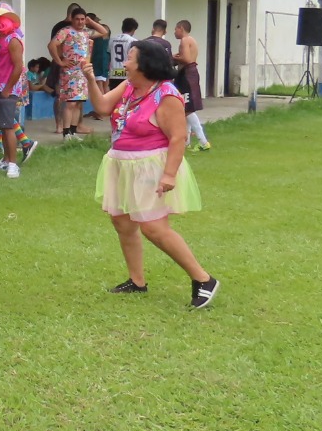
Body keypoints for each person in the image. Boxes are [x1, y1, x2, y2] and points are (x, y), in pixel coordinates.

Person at [80, 44, 219, 308]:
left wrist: (169, 175)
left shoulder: (166, 94)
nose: (125, 63)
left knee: (154, 228)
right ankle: (137, 281)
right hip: (122, 163)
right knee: (122, 222)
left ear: (146, 64)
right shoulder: (130, 86)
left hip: (149, 167)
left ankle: (203, 279)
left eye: (130, 58)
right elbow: (103, 106)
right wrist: (89, 78)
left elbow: (178, 137)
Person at [0, 1, 30, 178]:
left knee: (8, 126)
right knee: (1, 125)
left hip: (7, 89)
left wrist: (8, 89)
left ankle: (13, 165)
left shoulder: (13, 40)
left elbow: (18, 67)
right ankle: (6, 160)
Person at [50, 5, 108, 141]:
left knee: (78, 103)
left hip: (83, 72)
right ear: (72, 19)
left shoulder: (86, 32)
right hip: (70, 72)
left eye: (82, 19)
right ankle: (66, 133)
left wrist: (90, 21)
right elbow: (52, 45)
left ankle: (73, 131)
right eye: (77, 19)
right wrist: (60, 61)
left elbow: (103, 31)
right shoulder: (66, 31)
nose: (80, 22)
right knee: (70, 103)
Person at [171, 20, 211, 152]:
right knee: (185, 108)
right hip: (189, 74)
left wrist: (173, 57)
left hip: (187, 75)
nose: (174, 32)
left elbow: (187, 59)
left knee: (188, 109)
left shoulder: (185, 40)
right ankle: (186, 142)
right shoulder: (191, 40)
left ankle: (203, 141)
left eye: (176, 29)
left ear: (181, 28)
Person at [108, 18, 139, 91]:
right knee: (126, 94)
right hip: (126, 72)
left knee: (114, 94)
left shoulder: (112, 39)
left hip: (114, 72)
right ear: (133, 29)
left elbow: (109, 54)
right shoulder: (133, 41)